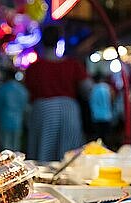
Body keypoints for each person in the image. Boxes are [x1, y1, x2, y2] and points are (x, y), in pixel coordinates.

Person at [23, 25, 92, 161]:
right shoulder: (73, 64)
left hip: (43, 111)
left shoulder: (34, 68)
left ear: (42, 42)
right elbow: (88, 88)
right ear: (58, 41)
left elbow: (27, 93)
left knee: (43, 154)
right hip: (68, 110)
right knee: (68, 156)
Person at [0, 68, 29, 152]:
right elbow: (25, 104)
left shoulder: (3, 88)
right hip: (17, 120)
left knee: (5, 148)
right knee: (16, 147)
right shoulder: (21, 89)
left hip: (5, 120)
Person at [89, 72, 113, 143]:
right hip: (107, 116)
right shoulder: (107, 87)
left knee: (98, 138)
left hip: (96, 116)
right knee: (107, 137)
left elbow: (90, 101)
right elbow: (112, 99)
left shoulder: (93, 89)